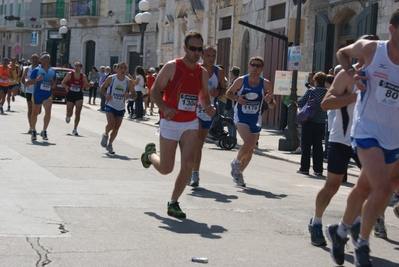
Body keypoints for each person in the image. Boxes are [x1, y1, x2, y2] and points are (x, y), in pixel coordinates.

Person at [325, 11, 399, 266]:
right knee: (384, 188)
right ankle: (363, 245)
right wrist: (351, 73)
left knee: (365, 188)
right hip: (367, 130)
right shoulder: (371, 49)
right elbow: (342, 53)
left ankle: (340, 230)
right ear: (392, 29)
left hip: (394, 136)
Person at [140, 30, 216, 219]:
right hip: (170, 122)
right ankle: (150, 156)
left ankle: (173, 203)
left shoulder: (202, 73)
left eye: (199, 49)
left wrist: (208, 107)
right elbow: (155, 90)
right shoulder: (172, 67)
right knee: (166, 168)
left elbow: (204, 96)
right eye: (193, 48)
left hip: (190, 122)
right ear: (185, 48)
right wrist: (165, 107)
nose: (196, 53)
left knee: (188, 164)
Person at [307, 47, 371, 247]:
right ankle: (316, 221)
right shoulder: (346, 74)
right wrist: (354, 97)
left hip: (368, 140)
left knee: (369, 186)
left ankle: (354, 223)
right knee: (332, 186)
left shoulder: (383, 73)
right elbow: (326, 104)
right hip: (342, 138)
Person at [226, 56, 275, 187]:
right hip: (241, 116)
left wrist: (269, 100)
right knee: (248, 142)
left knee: (250, 149)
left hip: (255, 117)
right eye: (253, 64)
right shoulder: (241, 80)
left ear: (262, 68)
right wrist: (237, 98)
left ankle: (239, 173)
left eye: (258, 65)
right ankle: (236, 162)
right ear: (249, 66)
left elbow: (272, 105)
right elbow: (228, 93)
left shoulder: (266, 84)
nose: (255, 67)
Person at [187, 45, 226, 187]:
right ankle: (193, 173)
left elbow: (224, 89)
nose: (211, 59)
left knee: (200, 144)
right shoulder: (195, 69)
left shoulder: (219, 72)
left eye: (213, 56)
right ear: (202, 56)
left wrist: (219, 93)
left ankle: (192, 171)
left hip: (209, 111)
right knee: (196, 142)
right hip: (194, 109)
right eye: (208, 56)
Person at [100, 62, 136, 154]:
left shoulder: (128, 81)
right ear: (117, 69)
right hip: (110, 105)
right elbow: (102, 87)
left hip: (120, 107)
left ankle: (110, 144)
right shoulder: (111, 78)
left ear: (126, 70)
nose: (123, 70)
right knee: (111, 124)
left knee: (116, 128)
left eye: (125, 68)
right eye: (121, 68)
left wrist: (130, 96)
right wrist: (106, 94)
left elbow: (135, 94)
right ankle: (105, 134)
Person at [296, 71, 327, 176]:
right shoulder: (327, 92)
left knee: (306, 145)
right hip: (321, 122)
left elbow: (300, 102)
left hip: (309, 121)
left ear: (316, 81)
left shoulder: (311, 91)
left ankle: (304, 168)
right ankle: (318, 170)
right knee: (318, 146)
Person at [24, 52, 56, 141]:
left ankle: (44, 131)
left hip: (48, 94)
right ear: (41, 60)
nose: (46, 60)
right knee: (34, 113)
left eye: (48, 58)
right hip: (37, 94)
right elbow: (27, 83)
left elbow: (54, 83)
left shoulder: (52, 71)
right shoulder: (36, 70)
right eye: (45, 58)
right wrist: (37, 80)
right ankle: (33, 130)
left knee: (48, 112)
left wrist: (53, 85)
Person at [61, 62, 91, 136]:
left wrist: (89, 86)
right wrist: (66, 87)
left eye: (78, 66)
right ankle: (68, 116)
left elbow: (86, 87)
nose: (77, 67)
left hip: (79, 95)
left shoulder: (83, 76)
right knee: (69, 113)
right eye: (76, 66)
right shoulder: (69, 74)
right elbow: (63, 83)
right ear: (74, 67)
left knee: (78, 113)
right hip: (70, 94)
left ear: (81, 68)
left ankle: (75, 129)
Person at [21, 53, 40, 133]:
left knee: (37, 111)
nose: (35, 59)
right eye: (33, 58)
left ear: (38, 59)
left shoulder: (40, 68)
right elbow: (23, 78)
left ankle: (33, 123)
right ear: (31, 60)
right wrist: (24, 83)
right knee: (30, 108)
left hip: (38, 91)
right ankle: (31, 126)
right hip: (29, 90)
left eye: (36, 58)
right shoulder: (27, 69)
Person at [225, 66, 240, 140]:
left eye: (230, 72)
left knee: (231, 122)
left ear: (232, 73)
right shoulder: (234, 81)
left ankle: (232, 137)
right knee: (229, 122)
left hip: (232, 106)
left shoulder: (235, 82)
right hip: (230, 105)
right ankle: (231, 136)